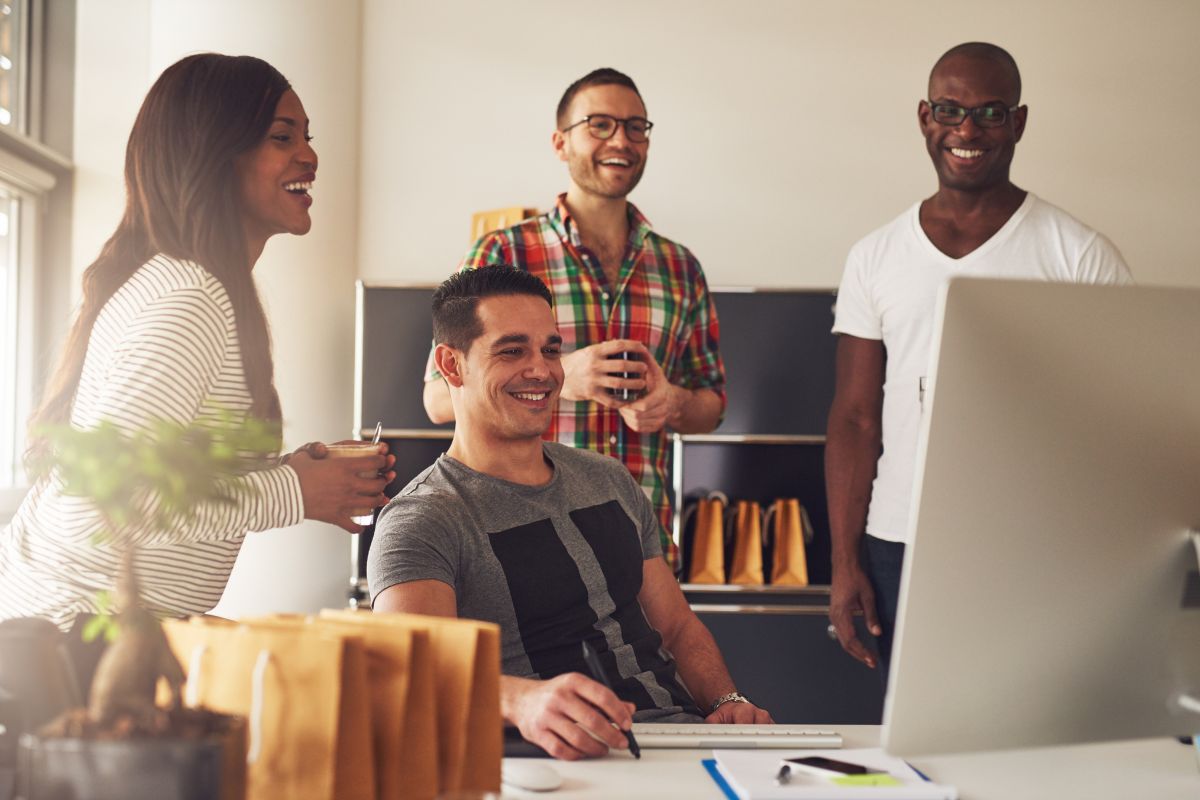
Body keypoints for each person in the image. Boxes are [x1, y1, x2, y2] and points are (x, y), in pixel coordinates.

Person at [0, 54, 394, 635]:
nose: (309, 156)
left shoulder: (197, 287)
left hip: (90, 631)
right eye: (281, 137)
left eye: (306, 137)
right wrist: (291, 491)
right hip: (72, 638)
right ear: (213, 154)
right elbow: (110, 498)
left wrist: (294, 475)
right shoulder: (190, 299)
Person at [371, 267, 770, 761]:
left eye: (551, 350)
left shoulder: (608, 479)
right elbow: (409, 670)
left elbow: (677, 626)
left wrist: (727, 702)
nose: (542, 370)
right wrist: (522, 701)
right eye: (512, 351)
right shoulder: (422, 519)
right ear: (451, 366)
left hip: (682, 744)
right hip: (558, 759)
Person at [825, 42, 1132, 683]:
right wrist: (844, 559)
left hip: (1033, 544)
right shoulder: (876, 255)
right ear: (924, 117)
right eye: (951, 109)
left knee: (1030, 746)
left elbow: (1115, 426)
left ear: (1018, 123)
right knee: (913, 749)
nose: (967, 130)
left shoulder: (1079, 256)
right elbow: (855, 419)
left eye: (990, 113)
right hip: (899, 543)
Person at [422, 68, 725, 559]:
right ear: (561, 143)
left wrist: (671, 402)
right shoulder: (502, 251)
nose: (621, 140)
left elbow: (712, 407)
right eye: (600, 124)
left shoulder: (680, 266)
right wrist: (565, 377)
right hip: (522, 542)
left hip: (642, 547)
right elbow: (438, 400)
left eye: (635, 126)